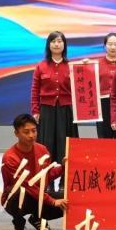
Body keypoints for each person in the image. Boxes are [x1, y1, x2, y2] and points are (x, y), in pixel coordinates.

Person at [1, 113, 67, 230]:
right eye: (26, 132)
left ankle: (36, 218)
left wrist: (63, 167)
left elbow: (48, 174)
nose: (31, 135)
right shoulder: (10, 158)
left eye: (34, 130)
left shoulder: (42, 150)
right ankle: (18, 221)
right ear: (16, 133)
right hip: (18, 197)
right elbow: (27, 186)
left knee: (69, 199)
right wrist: (52, 201)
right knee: (19, 192)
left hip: (39, 195)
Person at [30, 31, 76, 166]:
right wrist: (35, 111)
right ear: (48, 45)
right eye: (53, 41)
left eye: (60, 41)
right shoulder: (41, 66)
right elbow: (35, 90)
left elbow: (81, 87)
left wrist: (86, 66)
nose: (57, 44)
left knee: (64, 144)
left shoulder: (71, 66)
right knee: (46, 144)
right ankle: (47, 176)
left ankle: (64, 176)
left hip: (65, 110)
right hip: (46, 110)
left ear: (64, 45)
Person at [95, 32, 116, 138]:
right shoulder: (96, 64)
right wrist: (85, 66)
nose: (113, 47)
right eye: (110, 44)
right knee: (104, 136)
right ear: (104, 46)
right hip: (103, 104)